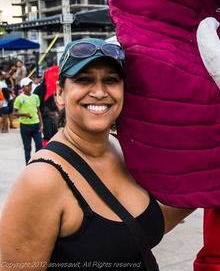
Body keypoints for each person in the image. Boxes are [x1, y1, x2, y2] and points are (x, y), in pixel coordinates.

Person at [0, 38, 194, 270]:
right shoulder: (41, 180)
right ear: (60, 94)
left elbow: (141, 229)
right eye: (84, 80)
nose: (100, 92)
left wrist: (212, 186)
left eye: (111, 80)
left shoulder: (123, 149)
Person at [13, 77, 43, 163]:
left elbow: (38, 111)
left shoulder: (36, 97)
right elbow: (14, 113)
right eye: (27, 85)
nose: (29, 87)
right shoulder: (19, 99)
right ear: (23, 87)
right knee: (27, 148)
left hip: (36, 125)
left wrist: (41, 124)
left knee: (39, 146)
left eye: (30, 85)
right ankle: (28, 166)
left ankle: (37, 163)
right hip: (25, 126)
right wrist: (24, 114)